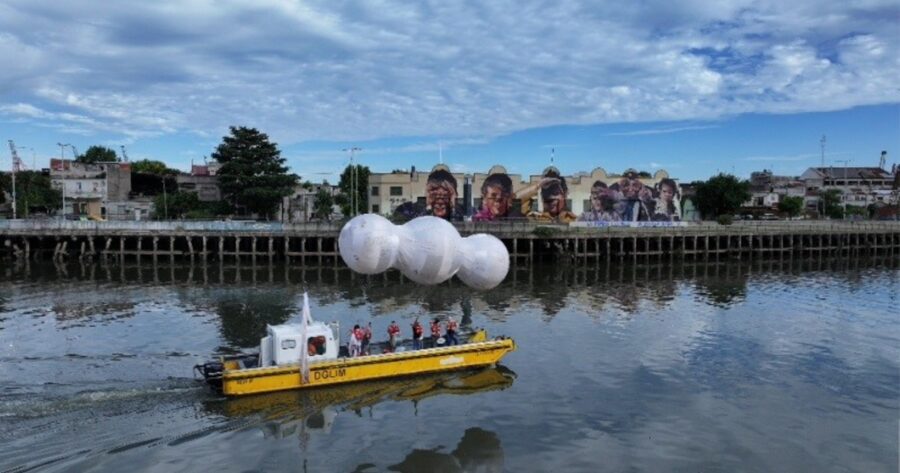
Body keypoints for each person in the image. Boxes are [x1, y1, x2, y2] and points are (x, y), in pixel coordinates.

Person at [393, 169, 465, 221]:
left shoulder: (466, 211)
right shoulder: (407, 208)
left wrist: (453, 207)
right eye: (433, 190)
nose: (440, 198)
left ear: (455, 194)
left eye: (446, 192)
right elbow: (399, 216)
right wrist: (427, 207)